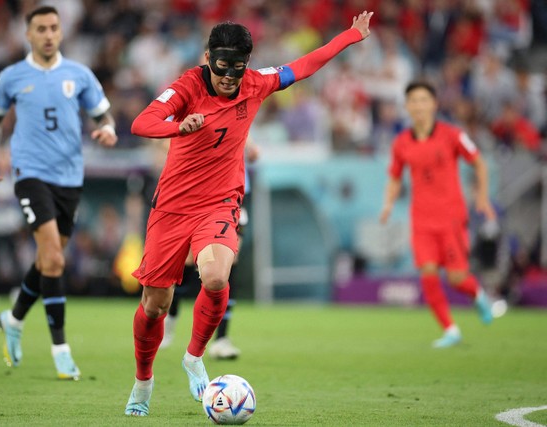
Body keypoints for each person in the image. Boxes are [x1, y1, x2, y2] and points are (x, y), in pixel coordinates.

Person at [124, 11, 373, 416]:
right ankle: (143, 380)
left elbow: (304, 65)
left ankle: (193, 355)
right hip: (171, 206)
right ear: (208, 58)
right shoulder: (187, 85)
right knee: (155, 304)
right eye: (222, 68)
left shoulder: (255, 83)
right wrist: (178, 126)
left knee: (217, 275)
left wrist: (349, 35)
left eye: (237, 69)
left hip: (220, 201)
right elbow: (142, 122)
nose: (229, 77)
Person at [0, 5, 117, 380]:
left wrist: (108, 130)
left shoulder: (79, 75)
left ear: (61, 32)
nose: (47, 34)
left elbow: (104, 114)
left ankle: (13, 318)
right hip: (30, 174)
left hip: (70, 178)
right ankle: (61, 349)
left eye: (53, 28)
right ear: (28, 34)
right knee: (55, 260)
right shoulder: (12, 76)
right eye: (40, 28)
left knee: (47, 260)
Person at [380, 81, 496, 349]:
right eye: (413, 101)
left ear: (434, 104)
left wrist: (481, 197)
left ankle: (478, 295)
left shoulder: (452, 135)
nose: (419, 106)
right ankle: (451, 329)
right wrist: (387, 204)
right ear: (407, 106)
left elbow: (479, 162)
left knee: (456, 278)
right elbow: (395, 177)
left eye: (424, 100)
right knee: (428, 273)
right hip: (421, 220)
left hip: (451, 217)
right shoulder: (401, 143)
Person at [160, 139, 260, 360]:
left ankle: (221, 339)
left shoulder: (238, 106)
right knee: (186, 266)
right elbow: (168, 140)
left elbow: (245, 134)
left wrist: (250, 147)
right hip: (201, 194)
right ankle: (172, 313)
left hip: (235, 195)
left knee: (228, 266)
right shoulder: (196, 107)